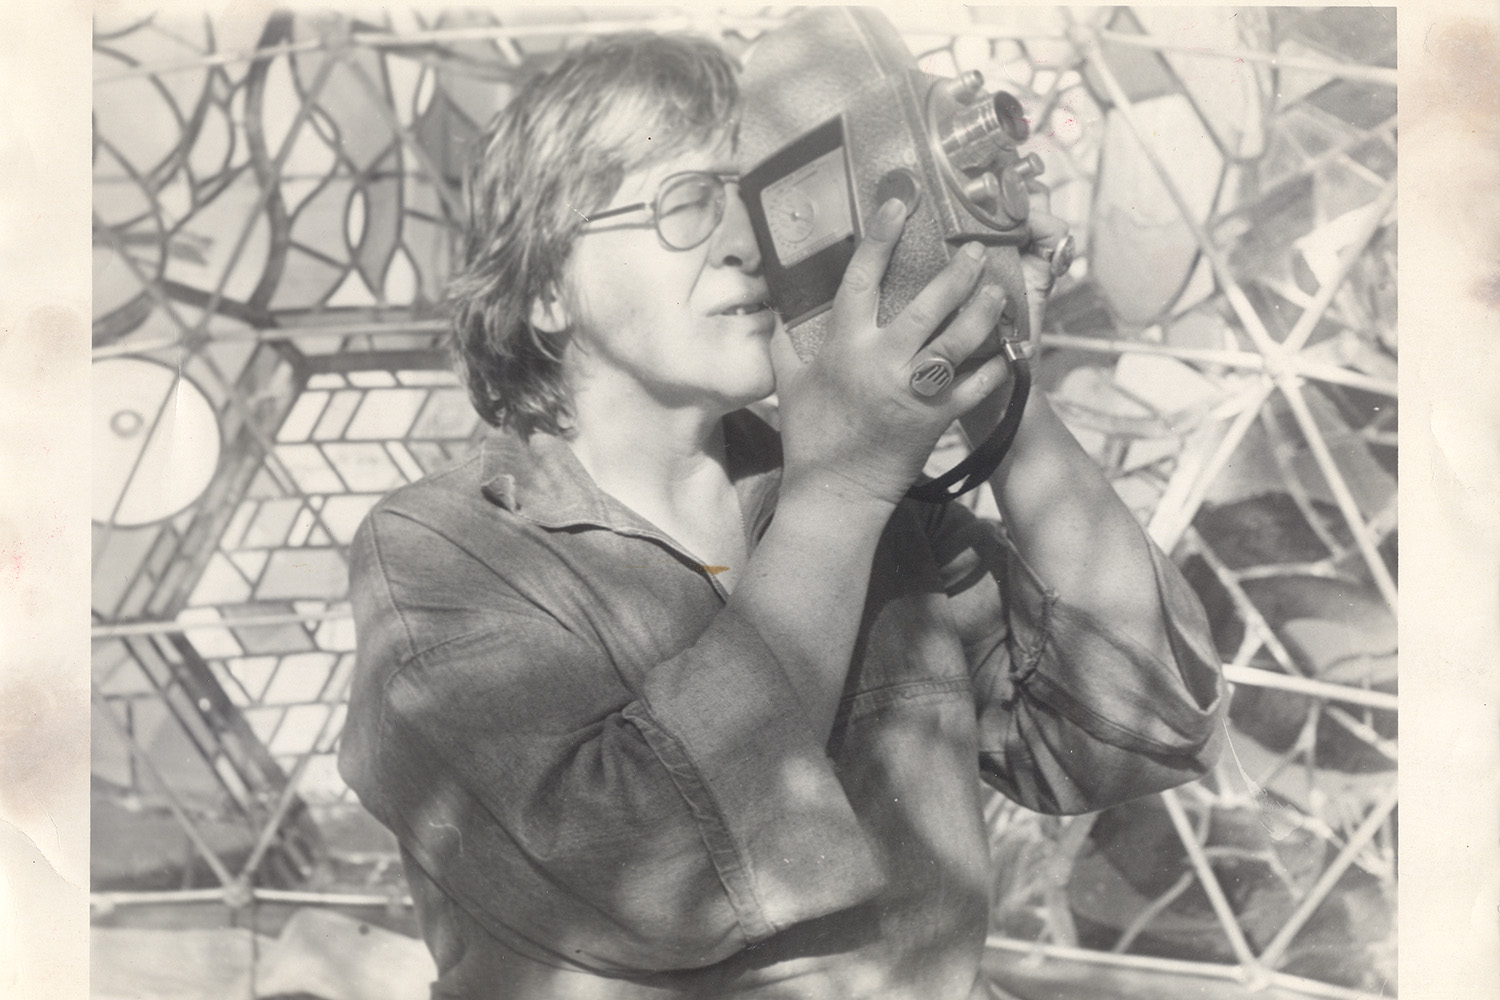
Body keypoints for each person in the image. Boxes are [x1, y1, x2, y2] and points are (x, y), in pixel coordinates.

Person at [338, 30, 1224, 1000]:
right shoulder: (443, 551)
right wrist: (840, 493)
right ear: (546, 288)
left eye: (752, 196)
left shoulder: (877, 513)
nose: (741, 242)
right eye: (686, 202)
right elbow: (645, 870)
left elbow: (1131, 730)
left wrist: (986, 375)